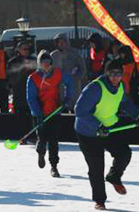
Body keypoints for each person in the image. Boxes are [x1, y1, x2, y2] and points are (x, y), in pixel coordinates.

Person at [74, 60, 139, 210]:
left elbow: (124, 102)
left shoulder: (120, 86)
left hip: (110, 128)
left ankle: (114, 177)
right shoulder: (95, 88)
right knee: (96, 167)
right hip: (88, 132)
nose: (115, 77)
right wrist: (97, 126)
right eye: (112, 74)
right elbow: (79, 110)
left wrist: (138, 115)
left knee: (124, 154)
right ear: (106, 73)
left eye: (119, 74)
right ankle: (100, 200)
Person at [26, 50, 74, 178]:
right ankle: (41, 153)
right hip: (40, 114)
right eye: (43, 62)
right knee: (42, 139)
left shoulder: (58, 73)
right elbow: (31, 98)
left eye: (48, 62)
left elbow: (70, 82)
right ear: (39, 64)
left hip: (55, 112)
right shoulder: (33, 78)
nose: (46, 65)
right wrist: (38, 113)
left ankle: (54, 166)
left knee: (53, 140)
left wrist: (68, 98)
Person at [7, 42, 36, 139]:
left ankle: (33, 136)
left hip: (32, 93)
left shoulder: (34, 60)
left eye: (28, 49)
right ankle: (21, 136)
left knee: (32, 117)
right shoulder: (13, 62)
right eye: (24, 49)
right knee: (20, 117)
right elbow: (10, 77)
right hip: (19, 94)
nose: (26, 51)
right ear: (19, 50)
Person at [51, 33, 86, 98]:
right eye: (59, 42)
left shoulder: (75, 53)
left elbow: (82, 68)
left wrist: (75, 78)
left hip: (73, 86)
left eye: (63, 42)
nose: (61, 44)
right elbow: (49, 70)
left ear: (67, 42)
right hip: (59, 87)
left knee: (73, 101)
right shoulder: (54, 55)